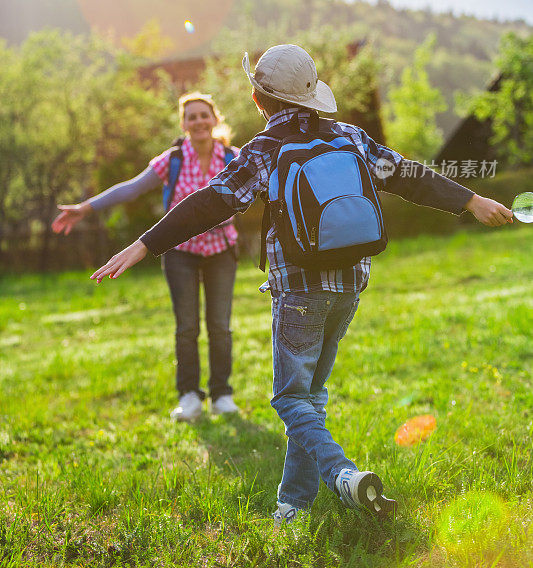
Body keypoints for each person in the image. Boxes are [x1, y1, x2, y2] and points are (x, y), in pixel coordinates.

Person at [89, 45, 514, 522]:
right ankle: (292, 506)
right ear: (314, 96)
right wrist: (471, 200)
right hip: (350, 284)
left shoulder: (265, 150)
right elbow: (409, 176)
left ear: (257, 100)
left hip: (298, 293)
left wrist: (146, 243)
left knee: (291, 399)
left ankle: (342, 475)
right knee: (310, 398)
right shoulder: (352, 137)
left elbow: (210, 203)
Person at [53, 92, 240, 421]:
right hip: (179, 252)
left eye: (203, 115)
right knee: (186, 326)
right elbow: (132, 188)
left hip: (221, 250)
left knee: (220, 326)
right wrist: (85, 207)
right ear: (183, 124)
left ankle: (222, 395)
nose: (198, 121)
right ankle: (189, 396)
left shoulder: (234, 157)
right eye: (191, 116)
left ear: (215, 119)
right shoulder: (173, 159)